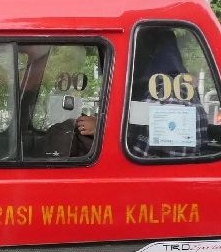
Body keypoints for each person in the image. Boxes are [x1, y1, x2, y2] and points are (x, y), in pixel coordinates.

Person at [76, 28, 208, 158]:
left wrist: (103, 132)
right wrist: (102, 125)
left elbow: (138, 158)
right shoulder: (159, 89)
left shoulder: (168, 94)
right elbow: (145, 131)